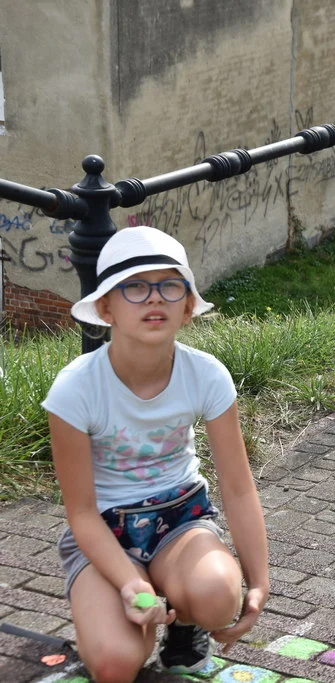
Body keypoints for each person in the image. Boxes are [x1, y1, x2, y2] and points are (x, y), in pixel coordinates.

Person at [42, 227, 269, 682]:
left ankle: (184, 627)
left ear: (187, 306)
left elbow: (238, 487)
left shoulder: (206, 375)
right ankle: (134, 612)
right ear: (106, 307)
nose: (154, 299)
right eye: (135, 287)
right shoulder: (75, 389)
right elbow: (81, 513)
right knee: (114, 663)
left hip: (180, 520)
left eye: (170, 285)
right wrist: (130, 584)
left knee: (218, 595)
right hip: (105, 532)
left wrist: (259, 581)